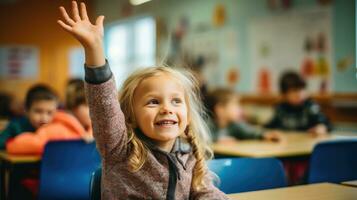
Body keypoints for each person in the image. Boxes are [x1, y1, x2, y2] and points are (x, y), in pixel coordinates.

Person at [57, 2, 227, 199]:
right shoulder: (119, 148)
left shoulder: (188, 153)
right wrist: (94, 47)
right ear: (131, 116)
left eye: (176, 101)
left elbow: (204, 192)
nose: (166, 109)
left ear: (188, 115)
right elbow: (104, 105)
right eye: (153, 102)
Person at [265, 71, 332, 136]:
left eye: (302, 89)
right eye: (294, 91)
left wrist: (322, 127)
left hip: (307, 144)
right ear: (284, 95)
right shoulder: (281, 108)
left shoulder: (310, 106)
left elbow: (325, 123)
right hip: (287, 144)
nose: (299, 94)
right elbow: (269, 127)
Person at [206, 88, 282, 143]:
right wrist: (218, 140)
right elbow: (200, 139)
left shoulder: (234, 125)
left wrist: (264, 135)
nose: (239, 109)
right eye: (235, 105)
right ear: (220, 109)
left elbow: (249, 131)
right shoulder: (206, 125)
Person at [0, 84, 58, 149]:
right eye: (38, 111)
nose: (44, 118)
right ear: (27, 110)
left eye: (49, 113)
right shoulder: (15, 126)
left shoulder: (55, 128)